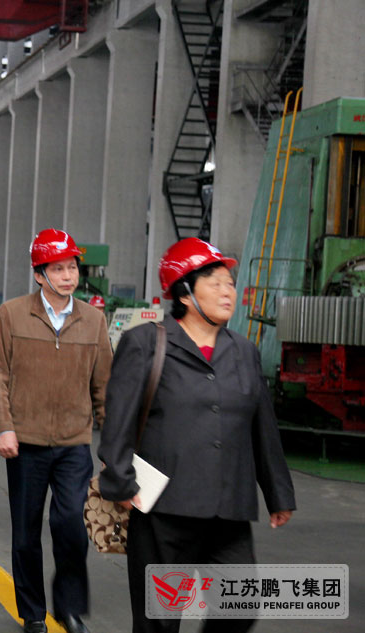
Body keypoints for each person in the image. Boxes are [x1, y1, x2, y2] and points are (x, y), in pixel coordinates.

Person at [98, 237, 296, 633]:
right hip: (163, 510)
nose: (228, 292)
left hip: (228, 507)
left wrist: (278, 493)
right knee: (159, 621)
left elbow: (262, 427)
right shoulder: (146, 343)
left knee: (238, 608)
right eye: (215, 283)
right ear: (185, 293)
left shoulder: (244, 352)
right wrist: (120, 483)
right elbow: (118, 422)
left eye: (230, 283)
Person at [0, 228, 112, 633]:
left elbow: (104, 385)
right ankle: (33, 613)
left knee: (72, 525)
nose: (68, 276)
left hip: (74, 443)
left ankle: (69, 607)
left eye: (72, 267)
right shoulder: (12, 314)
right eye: (57, 269)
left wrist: (112, 447)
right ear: (39, 274)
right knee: (25, 534)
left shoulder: (93, 320)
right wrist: (4, 427)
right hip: (25, 443)